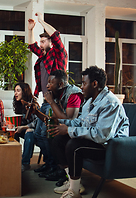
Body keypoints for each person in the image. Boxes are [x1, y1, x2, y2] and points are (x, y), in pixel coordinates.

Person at [49, 66, 129, 198]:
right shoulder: (90, 102)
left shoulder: (110, 103)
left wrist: (69, 130)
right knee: (58, 140)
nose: (81, 87)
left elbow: (101, 136)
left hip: (111, 148)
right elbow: (81, 123)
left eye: (84, 83)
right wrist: (61, 123)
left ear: (95, 84)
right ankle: (73, 183)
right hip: (98, 143)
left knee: (74, 145)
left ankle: (74, 194)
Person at [27, 12, 68, 173]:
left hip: (56, 102)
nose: (41, 44)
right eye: (41, 42)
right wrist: (31, 30)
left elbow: (56, 35)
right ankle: (50, 163)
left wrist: (41, 21)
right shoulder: (43, 57)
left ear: (51, 42)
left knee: (48, 135)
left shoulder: (59, 55)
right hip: (45, 100)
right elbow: (32, 46)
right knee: (39, 135)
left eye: (43, 41)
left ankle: (57, 166)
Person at [39, 70, 83, 183]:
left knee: (56, 138)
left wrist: (51, 102)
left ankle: (66, 174)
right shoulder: (59, 94)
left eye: (50, 82)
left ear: (60, 84)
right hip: (71, 127)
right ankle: (59, 168)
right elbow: (55, 116)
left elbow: (69, 119)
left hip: (80, 128)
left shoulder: (74, 94)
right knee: (48, 133)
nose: (47, 85)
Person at [12, 82, 37, 172]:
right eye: (15, 91)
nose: (15, 93)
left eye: (18, 91)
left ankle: (25, 163)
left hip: (36, 130)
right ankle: (14, 159)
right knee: (13, 131)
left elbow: (37, 122)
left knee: (29, 133)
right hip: (25, 129)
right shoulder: (19, 104)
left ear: (24, 92)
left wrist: (25, 127)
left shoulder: (33, 104)